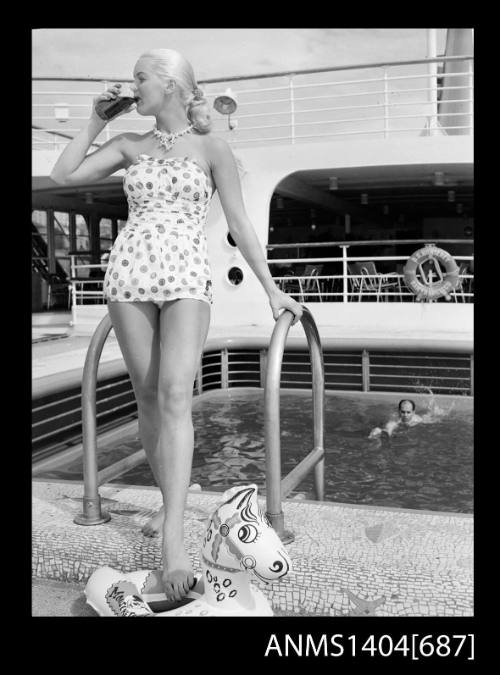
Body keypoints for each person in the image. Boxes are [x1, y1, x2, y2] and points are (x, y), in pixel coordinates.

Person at [50, 48, 303, 602]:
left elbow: (239, 223)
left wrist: (271, 288)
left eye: (140, 77)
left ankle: (173, 536)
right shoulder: (127, 145)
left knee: (175, 395)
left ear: (168, 85)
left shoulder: (212, 145)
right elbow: (61, 173)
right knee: (146, 397)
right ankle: (171, 500)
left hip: (187, 276)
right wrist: (98, 119)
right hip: (129, 276)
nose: (131, 84)